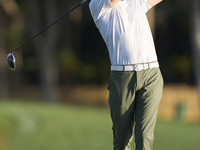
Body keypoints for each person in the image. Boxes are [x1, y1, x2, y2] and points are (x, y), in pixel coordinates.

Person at [89, 0, 163, 149]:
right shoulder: (97, 5)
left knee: (144, 136)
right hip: (122, 78)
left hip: (151, 75)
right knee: (122, 141)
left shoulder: (135, 2)